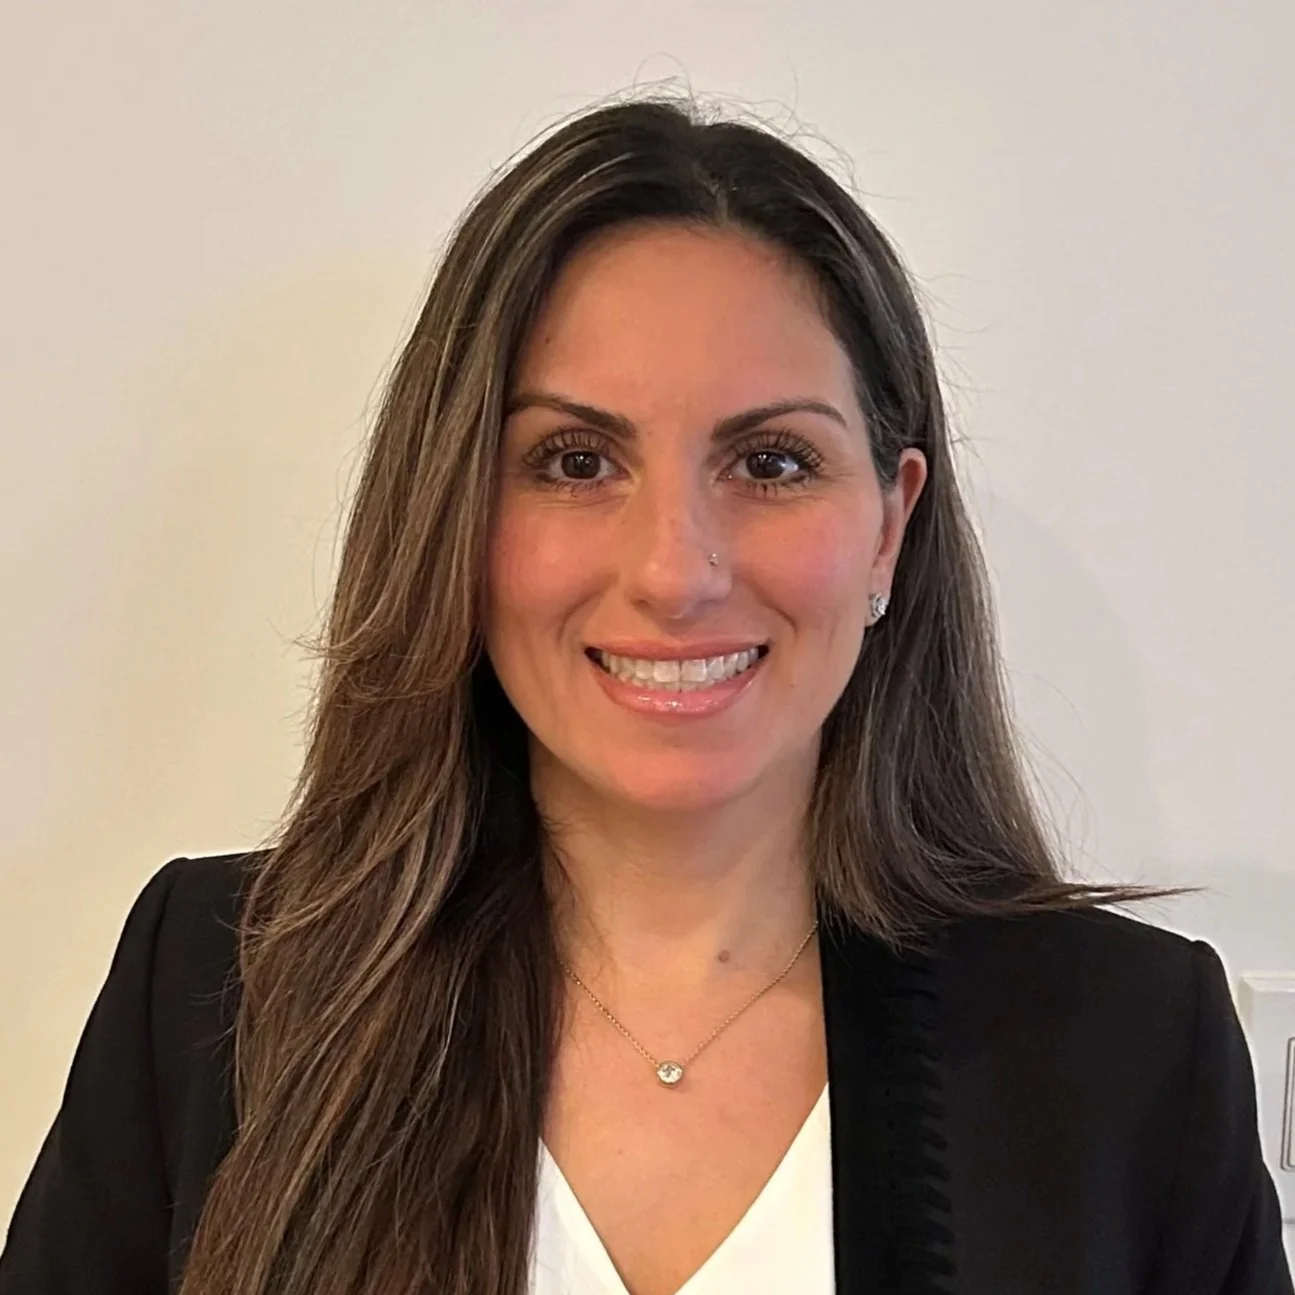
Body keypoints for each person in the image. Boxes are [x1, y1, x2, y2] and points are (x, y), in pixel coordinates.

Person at [1, 93, 1289, 1295]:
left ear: (890, 527)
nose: (676, 572)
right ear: (455, 511)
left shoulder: (1131, 1054)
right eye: (573, 461)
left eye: (773, 461)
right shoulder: (220, 991)